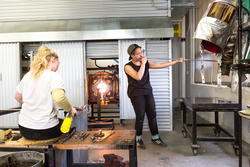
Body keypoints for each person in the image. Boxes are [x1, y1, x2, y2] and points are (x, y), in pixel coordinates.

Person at [124, 44, 185, 149]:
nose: (141, 55)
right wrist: (143, 63)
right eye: (138, 54)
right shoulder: (128, 66)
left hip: (147, 92)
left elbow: (160, 65)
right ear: (132, 55)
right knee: (140, 116)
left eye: (141, 52)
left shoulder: (145, 63)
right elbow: (138, 77)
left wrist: (176, 61)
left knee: (152, 114)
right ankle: (138, 138)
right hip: (136, 94)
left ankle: (155, 137)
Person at [14, 46, 77, 140]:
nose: (58, 67)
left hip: (24, 129)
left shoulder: (28, 75)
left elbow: (17, 97)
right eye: (58, 63)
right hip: (45, 130)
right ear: (53, 60)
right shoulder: (53, 76)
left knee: (59, 122)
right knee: (67, 125)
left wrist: (33, 105)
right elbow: (59, 98)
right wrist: (70, 109)